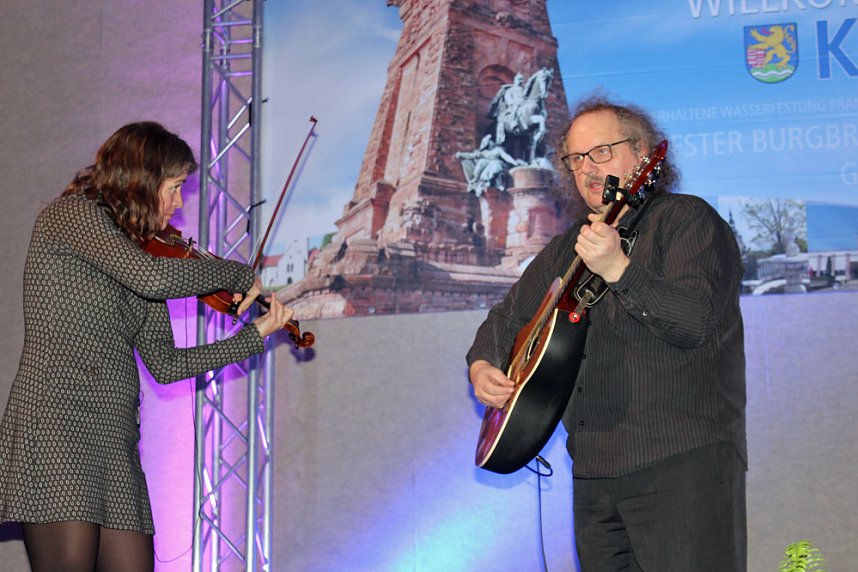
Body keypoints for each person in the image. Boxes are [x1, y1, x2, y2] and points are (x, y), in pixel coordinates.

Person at [466, 96, 747, 571]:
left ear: (641, 155)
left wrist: (619, 267)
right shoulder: (564, 249)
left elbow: (695, 320)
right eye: (576, 159)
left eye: (602, 152)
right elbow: (505, 319)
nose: (587, 169)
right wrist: (482, 365)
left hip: (683, 463)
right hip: (594, 473)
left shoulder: (687, 220)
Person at [0, 122, 294, 571]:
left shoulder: (142, 254)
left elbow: (166, 363)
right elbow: (152, 279)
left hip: (116, 440)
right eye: (175, 188)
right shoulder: (70, 216)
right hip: (58, 426)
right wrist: (235, 273)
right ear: (141, 179)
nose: (179, 203)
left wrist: (250, 339)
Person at [455, 134, 526, 195]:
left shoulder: (497, 150)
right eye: (489, 141)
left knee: (495, 165)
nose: (491, 142)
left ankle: (491, 183)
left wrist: (515, 163)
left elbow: (506, 157)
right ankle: (478, 180)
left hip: (496, 165)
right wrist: (461, 154)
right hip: (486, 169)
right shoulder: (484, 153)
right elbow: (471, 156)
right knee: (482, 162)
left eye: (491, 140)